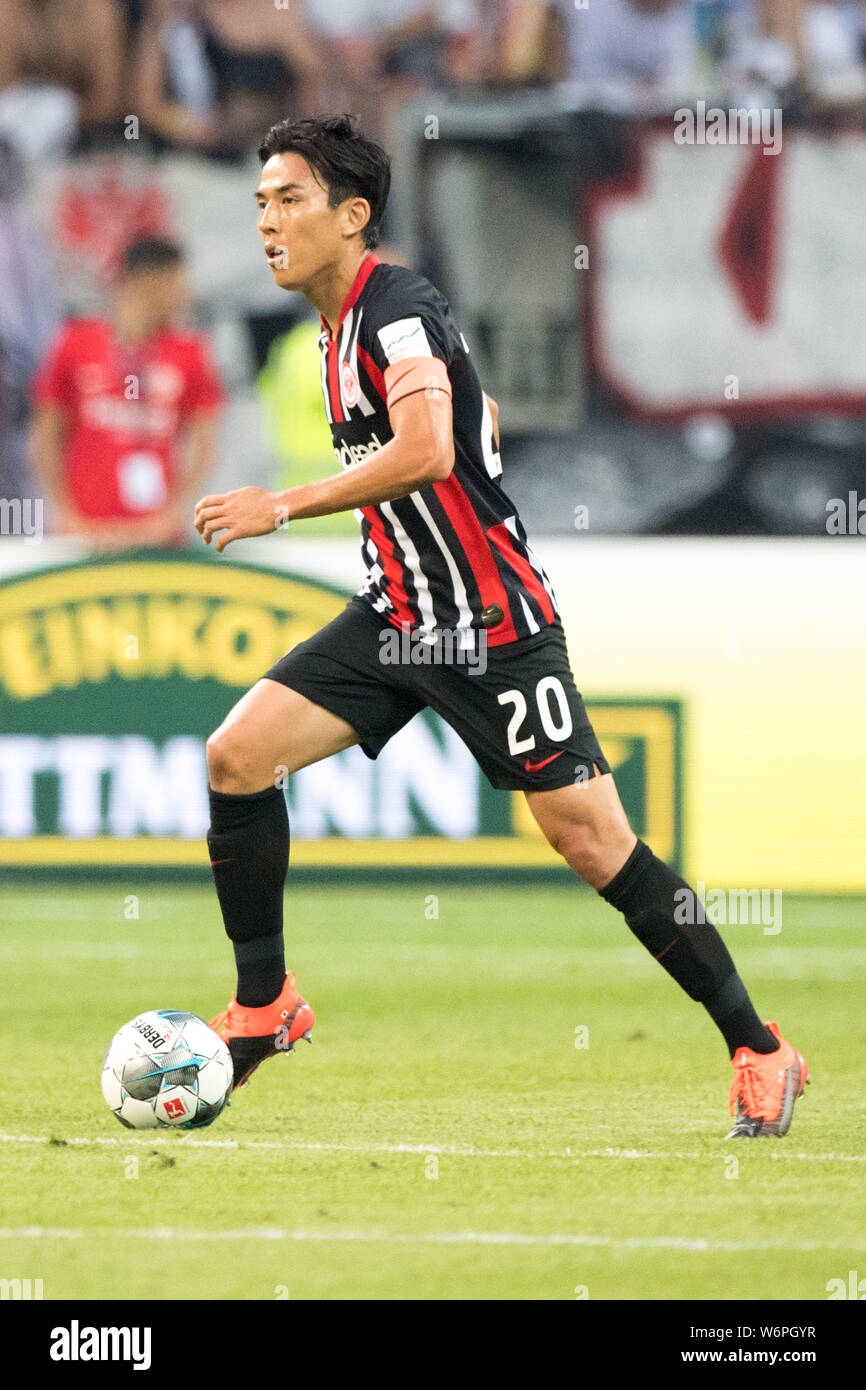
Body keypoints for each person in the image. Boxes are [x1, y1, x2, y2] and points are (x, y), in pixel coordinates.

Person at [195, 114, 808, 1139]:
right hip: (398, 615)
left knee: (593, 843)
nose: (267, 221)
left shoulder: (394, 308)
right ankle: (266, 1003)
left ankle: (758, 1046)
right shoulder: (332, 325)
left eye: (289, 199)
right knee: (237, 756)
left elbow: (431, 448)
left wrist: (281, 505)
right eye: (259, 201)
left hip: (488, 625)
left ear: (353, 217)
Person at [31, 235, 223, 551]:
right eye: (177, 284)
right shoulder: (74, 344)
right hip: (84, 537)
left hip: (159, 539)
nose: (184, 296)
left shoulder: (190, 352)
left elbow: (205, 447)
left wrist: (173, 514)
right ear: (147, 281)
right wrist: (66, 514)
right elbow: (45, 438)